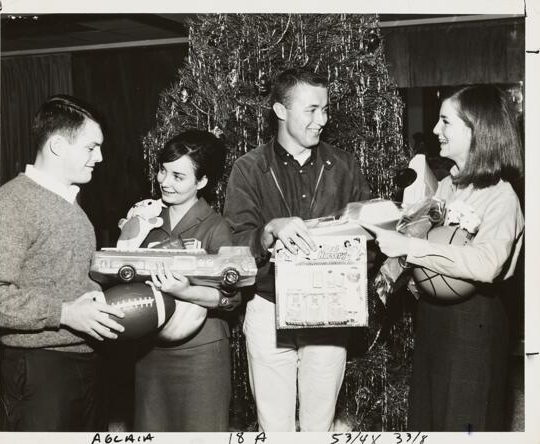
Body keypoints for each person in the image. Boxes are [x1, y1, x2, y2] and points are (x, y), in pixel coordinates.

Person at [361, 85, 524, 431]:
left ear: (476, 129)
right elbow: (432, 249)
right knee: (429, 419)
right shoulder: (450, 186)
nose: (435, 131)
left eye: (445, 122)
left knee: (464, 423)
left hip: (474, 328)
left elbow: (486, 265)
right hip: (433, 322)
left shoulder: (501, 196)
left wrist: (409, 248)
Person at [223, 67, 371, 432]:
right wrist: (266, 233)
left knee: (319, 426)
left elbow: (369, 238)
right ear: (280, 110)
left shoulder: (345, 166)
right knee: (274, 428)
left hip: (330, 315)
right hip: (267, 308)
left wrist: (368, 234)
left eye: (325, 109)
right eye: (312, 109)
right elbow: (232, 247)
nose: (323, 119)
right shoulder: (248, 169)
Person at [0, 95, 126, 431]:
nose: (99, 157)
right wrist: (66, 314)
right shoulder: (12, 203)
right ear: (57, 145)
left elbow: (72, 281)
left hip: (84, 365)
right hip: (41, 372)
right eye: (91, 147)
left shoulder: (71, 205)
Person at [133, 129, 241, 432]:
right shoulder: (147, 221)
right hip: (150, 353)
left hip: (201, 356)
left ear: (202, 182)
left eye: (178, 176)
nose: (164, 181)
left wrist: (186, 290)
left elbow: (231, 299)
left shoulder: (217, 227)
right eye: (162, 170)